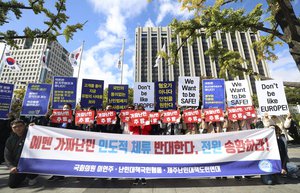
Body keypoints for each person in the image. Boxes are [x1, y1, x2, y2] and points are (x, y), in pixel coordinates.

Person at [4, 119, 38, 188]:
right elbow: (7, 155)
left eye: (20, 126)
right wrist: (11, 167)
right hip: (18, 165)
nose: (17, 128)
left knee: (32, 172)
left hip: (31, 163)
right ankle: (24, 175)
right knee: (12, 184)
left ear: (24, 126)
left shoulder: (31, 134)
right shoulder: (10, 139)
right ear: (12, 128)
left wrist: (35, 128)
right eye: (14, 127)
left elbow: (43, 134)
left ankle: (32, 176)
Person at [129, 104, 151, 185]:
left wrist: (146, 123)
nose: (140, 111)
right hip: (136, 140)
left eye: (142, 110)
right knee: (136, 159)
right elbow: (130, 129)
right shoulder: (134, 118)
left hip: (145, 140)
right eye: (139, 110)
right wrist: (131, 122)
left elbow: (149, 129)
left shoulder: (146, 119)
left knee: (144, 159)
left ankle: (143, 177)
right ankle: (136, 177)